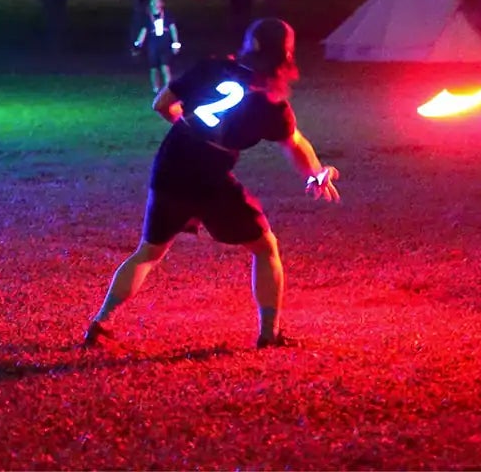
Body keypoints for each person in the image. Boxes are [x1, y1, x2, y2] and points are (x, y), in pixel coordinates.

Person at [83, 18, 340, 352]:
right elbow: (294, 143)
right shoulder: (272, 103)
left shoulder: (213, 66)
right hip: (210, 177)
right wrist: (315, 172)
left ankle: (100, 322)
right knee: (265, 248)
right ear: (286, 56)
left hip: (171, 163)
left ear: (251, 43)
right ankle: (269, 334)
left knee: (148, 252)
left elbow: (161, 104)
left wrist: (188, 125)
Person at [130, 0, 184, 96]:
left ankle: (169, 88)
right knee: (154, 68)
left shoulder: (167, 15)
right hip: (153, 44)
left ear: (162, 3)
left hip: (165, 43)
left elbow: (173, 29)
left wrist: (176, 43)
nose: (155, 3)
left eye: (158, 0)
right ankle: (156, 88)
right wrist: (138, 45)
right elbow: (144, 31)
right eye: (153, 1)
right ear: (150, 3)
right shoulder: (147, 16)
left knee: (165, 66)